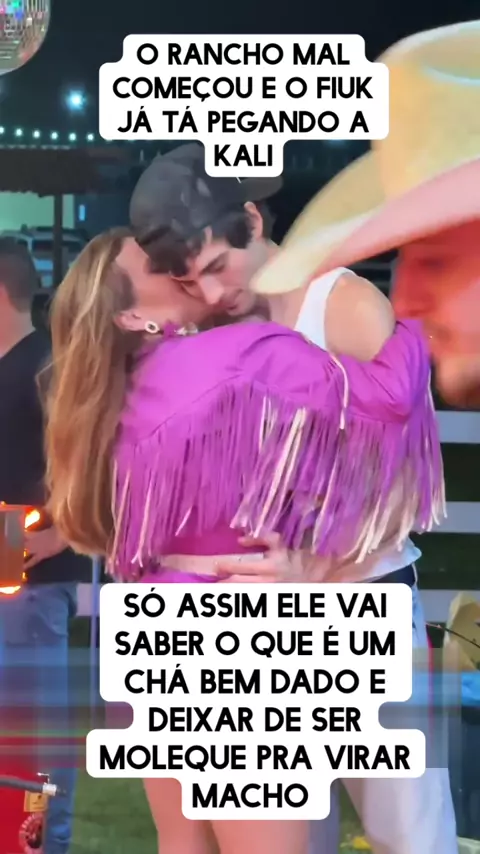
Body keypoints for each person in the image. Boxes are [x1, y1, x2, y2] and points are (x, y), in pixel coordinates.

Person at [45, 229, 442, 854]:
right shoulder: (241, 353)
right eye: (158, 265)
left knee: (184, 842)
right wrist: (417, 327)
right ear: (132, 316)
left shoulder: (107, 399)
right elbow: (388, 397)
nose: (179, 267)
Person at [127, 142, 457, 853]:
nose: (211, 292)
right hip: (261, 636)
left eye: (219, 265)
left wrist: (315, 563)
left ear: (252, 219)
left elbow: (405, 483)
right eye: (189, 279)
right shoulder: (208, 326)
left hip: (362, 609)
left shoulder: (340, 303)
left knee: (412, 836)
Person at [0, 238, 90, 854]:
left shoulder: (49, 368)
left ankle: (41, 842)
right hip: (12, 567)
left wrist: (63, 533)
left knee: (34, 733)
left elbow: (94, 460)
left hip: (32, 579)